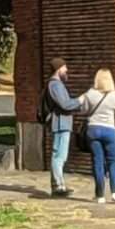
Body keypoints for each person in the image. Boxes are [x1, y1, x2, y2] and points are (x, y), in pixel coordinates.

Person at [81, 67, 115, 204]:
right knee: (112, 161)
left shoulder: (90, 93)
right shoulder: (114, 95)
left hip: (93, 129)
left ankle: (99, 194)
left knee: (97, 162)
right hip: (109, 130)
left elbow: (84, 109)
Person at [40, 58, 80, 197]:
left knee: (60, 155)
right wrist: (80, 101)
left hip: (62, 123)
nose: (66, 70)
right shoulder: (55, 85)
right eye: (64, 67)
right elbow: (65, 104)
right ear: (58, 69)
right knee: (59, 155)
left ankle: (59, 185)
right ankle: (58, 186)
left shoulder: (56, 84)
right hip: (60, 123)